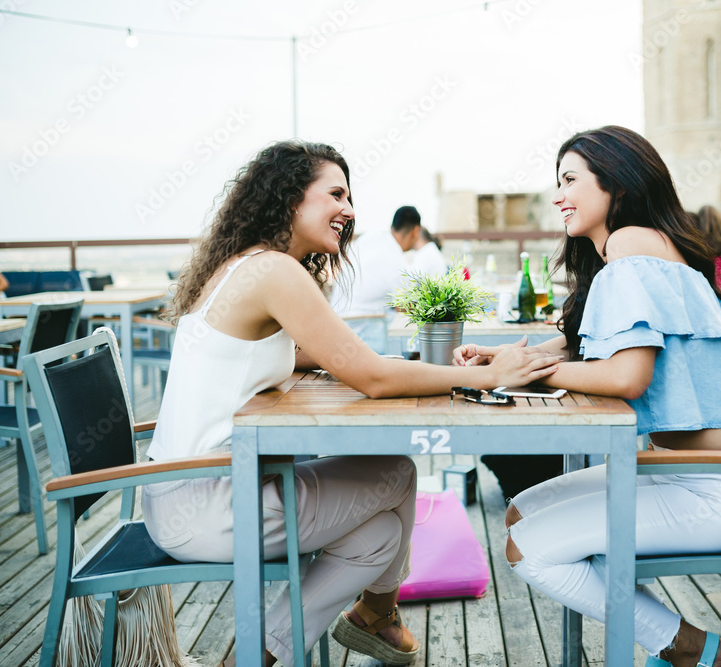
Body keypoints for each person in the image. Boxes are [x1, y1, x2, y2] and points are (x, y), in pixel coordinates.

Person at [143, 141, 562, 667]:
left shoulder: (245, 264)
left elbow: (297, 356)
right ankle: (377, 617)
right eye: (335, 194)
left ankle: (316, 636)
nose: (349, 209)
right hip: (207, 502)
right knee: (398, 474)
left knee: (382, 533)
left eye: (350, 196)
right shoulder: (275, 271)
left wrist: (361, 361)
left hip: (185, 490)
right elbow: (372, 378)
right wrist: (485, 376)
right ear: (290, 197)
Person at [454, 126, 721, 667]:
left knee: (526, 548)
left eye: (570, 180)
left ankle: (691, 651)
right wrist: (504, 356)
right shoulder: (646, 247)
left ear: (616, 186)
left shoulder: (628, 247)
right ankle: (674, 645)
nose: (559, 196)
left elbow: (627, 377)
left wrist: (539, 376)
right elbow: (587, 346)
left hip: (717, 488)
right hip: (690, 471)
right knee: (519, 514)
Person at [331, 205, 422, 317]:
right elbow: (404, 306)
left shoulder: (369, 237)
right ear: (416, 231)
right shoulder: (398, 260)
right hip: (359, 324)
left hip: (335, 315)